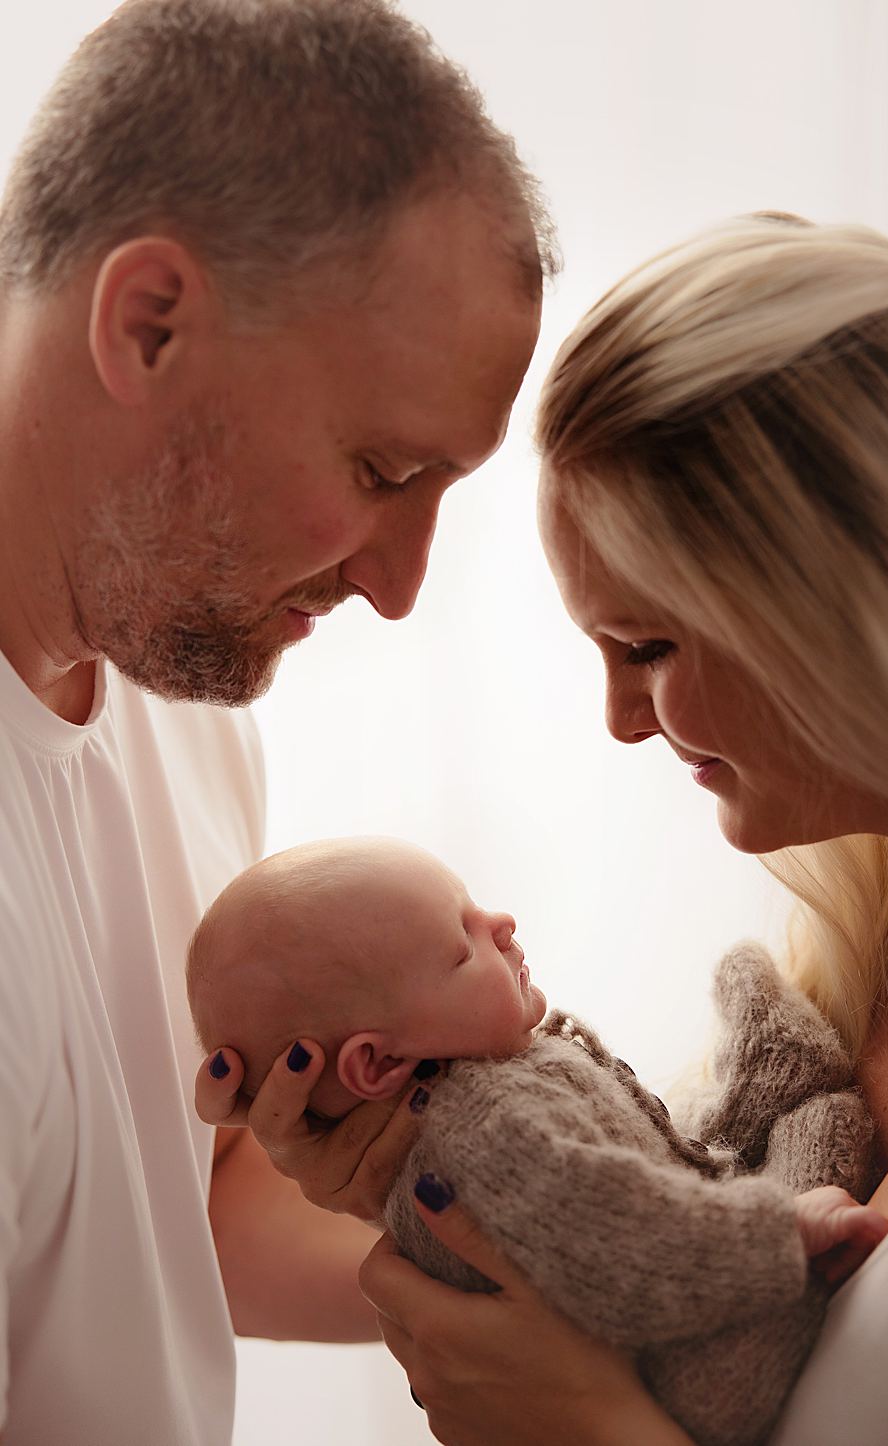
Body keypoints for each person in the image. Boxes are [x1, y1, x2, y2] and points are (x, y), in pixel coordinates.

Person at [198, 215, 888, 1444]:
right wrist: (417, 1203)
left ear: (843, 600)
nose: (619, 723)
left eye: (647, 647)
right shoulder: (874, 952)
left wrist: (591, 1429)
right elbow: (646, 1214)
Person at [0, 1, 552, 1439]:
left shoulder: (183, 708)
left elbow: (185, 1209)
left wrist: (583, 1286)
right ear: (150, 321)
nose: (399, 582)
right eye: (381, 468)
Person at [187, 836, 888, 1446]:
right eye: (462, 945)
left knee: (700, 1151)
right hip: (682, 1374)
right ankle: (790, 1099)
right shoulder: (487, 1128)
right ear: (375, 1064)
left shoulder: (487, 1079)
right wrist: (782, 1233)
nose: (502, 924)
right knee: (825, 1126)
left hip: (659, 1296)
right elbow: (627, 1235)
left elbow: (652, 1159)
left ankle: (763, 1084)